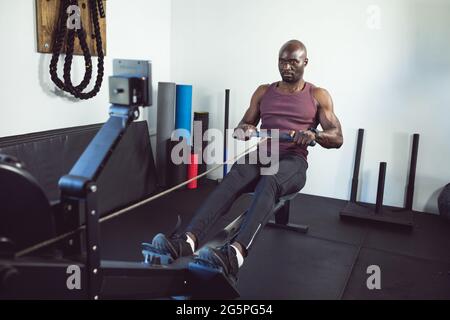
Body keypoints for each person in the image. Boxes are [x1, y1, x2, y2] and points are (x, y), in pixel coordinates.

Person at [143, 40, 343, 283]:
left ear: (305, 63)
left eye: (293, 61)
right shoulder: (263, 92)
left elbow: (337, 137)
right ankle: (187, 241)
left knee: (270, 181)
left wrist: (314, 134)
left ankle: (234, 256)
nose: (287, 66)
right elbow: (241, 127)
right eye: (282, 61)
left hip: (293, 160)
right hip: (262, 154)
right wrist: (246, 129)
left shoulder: (317, 95)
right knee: (232, 178)